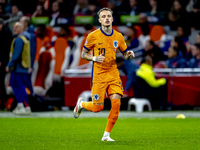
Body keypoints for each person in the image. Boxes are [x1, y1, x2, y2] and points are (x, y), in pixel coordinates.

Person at [73, 8, 135, 141]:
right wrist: (94, 58)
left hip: (113, 73)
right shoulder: (92, 36)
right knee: (98, 108)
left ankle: (106, 135)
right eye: (103, 16)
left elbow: (125, 54)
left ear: (112, 19)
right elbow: (84, 54)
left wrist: (129, 55)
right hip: (99, 74)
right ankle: (82, 104)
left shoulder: (118, 36)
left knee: (116, 103)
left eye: (109, 16)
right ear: (100, 20)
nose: (107, 18)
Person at [6, 22, 32, 114]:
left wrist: (9, 65)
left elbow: (15, 55)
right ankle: (23, 105)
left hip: (18, 67)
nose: (14, 29)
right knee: (16, 85)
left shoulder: (19, 40)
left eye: (16, 28)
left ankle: (23, 105)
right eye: (14, 28)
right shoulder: (25, 39)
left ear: (21, 29)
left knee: (19, 86)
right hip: (23, 67)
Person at [20, 16, 36, 95]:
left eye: (21, 22)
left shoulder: (31, 36)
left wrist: (30, 66)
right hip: (21, 64)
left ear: (26, 24)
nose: (19, 24)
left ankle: (31, 100)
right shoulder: (21, 35)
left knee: (27, 83)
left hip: (27, 65)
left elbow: (32, 52)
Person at [0, 18, 12, 110]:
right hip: (4, 62)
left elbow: (5, 50)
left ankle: (3, 103)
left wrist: (4, 62)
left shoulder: (6, 34)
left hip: (4, 63)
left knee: (2, 83)